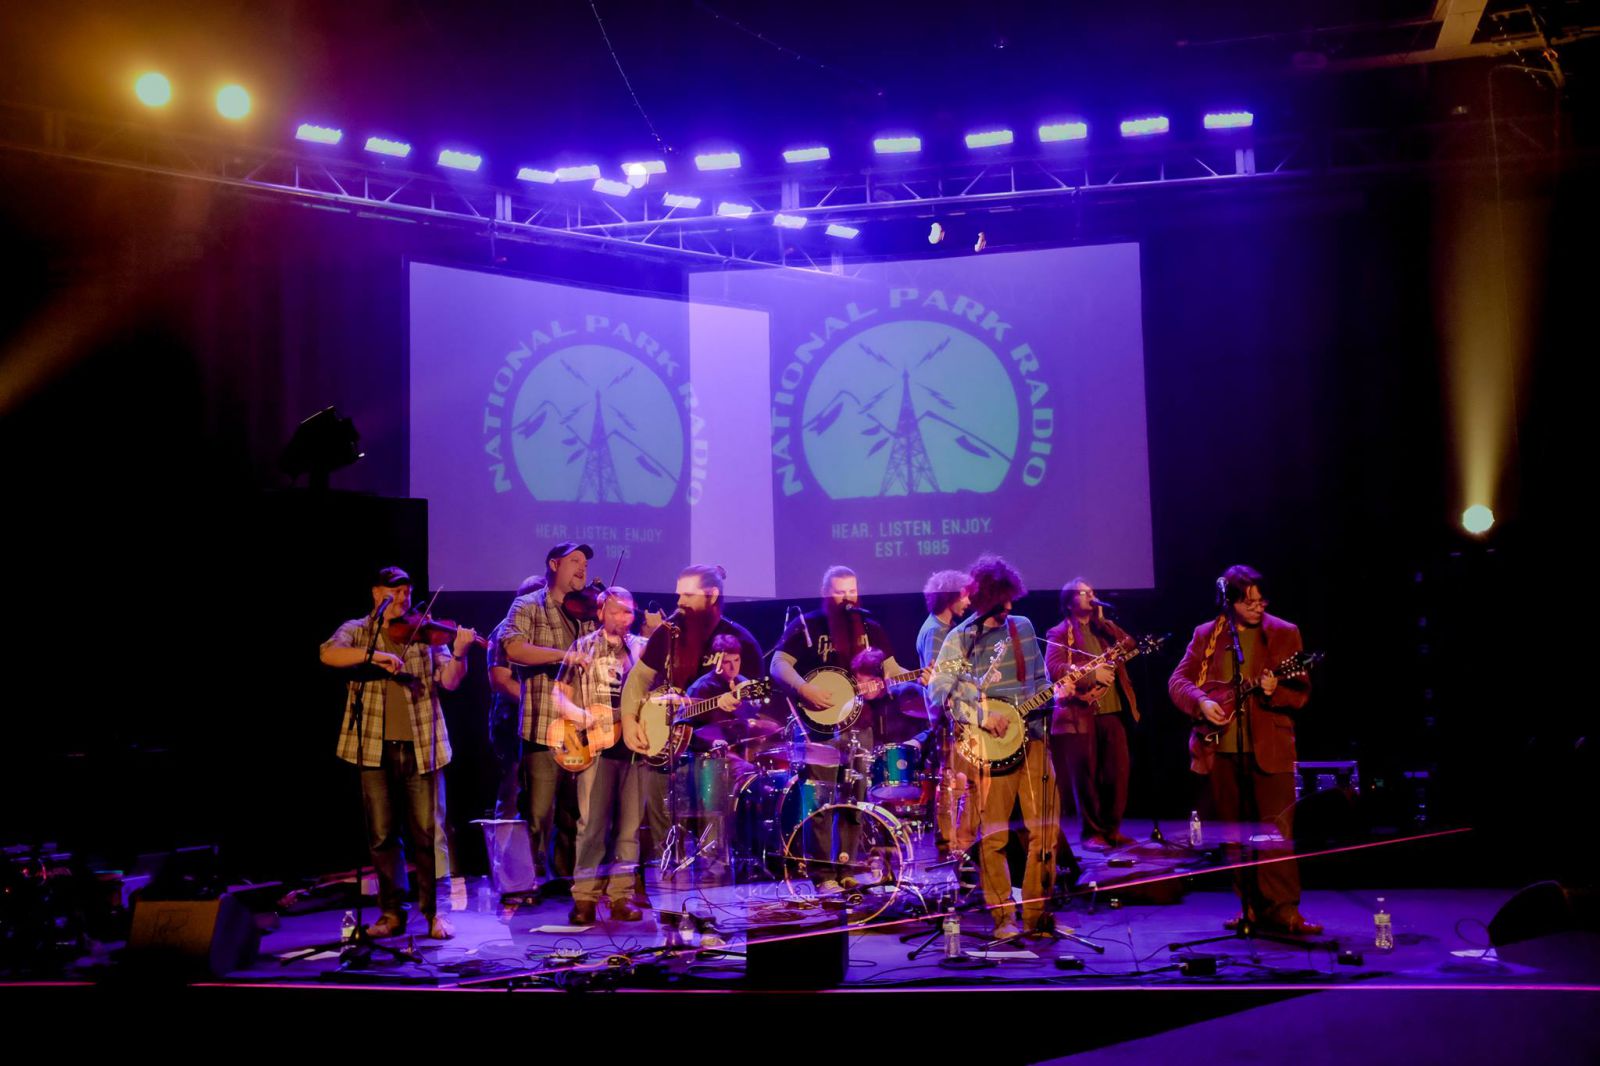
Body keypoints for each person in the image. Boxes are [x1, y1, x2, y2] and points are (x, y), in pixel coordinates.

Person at [320, 566, 474, 940]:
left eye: (407, 591)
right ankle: (391, 913)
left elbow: (450, 681)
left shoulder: (425, 633)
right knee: (382, 836)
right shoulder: (358, 630)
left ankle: (435, 913)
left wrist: (459, 653)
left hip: (423, 747)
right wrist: (374, 656)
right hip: (373, 747)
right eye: (395, 590)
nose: (404, 598)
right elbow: (328, 654)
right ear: (377, 593)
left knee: (429, 834)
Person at [1168, 565, 1320, 936]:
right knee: (1235, 835)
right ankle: (1249, 908)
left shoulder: (1284, 632)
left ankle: (1284, 911)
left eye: (1261, 600)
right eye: (1247, 601)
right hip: (1221, 750)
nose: (1256, 607)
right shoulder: (1206, 634)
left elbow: (1301, 694)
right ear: (1230, 601)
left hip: (1271, 749)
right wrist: (1202, 701)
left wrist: (1274, 691)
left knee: (1275, 833)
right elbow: (1178, 680)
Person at [928, 555, 1059, 940]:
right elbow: (939, 691)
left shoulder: (1023, 628)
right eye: (1002, 601)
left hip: (1033, 739)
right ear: (985, 599)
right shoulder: (959, 638)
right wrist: (981, 715)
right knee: (994, 836)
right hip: (990, 749)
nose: (1009, 607)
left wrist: (1058, 693)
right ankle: (1004, 918)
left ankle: (1037, 916)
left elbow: (1041, 681)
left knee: (1045, 832)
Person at [619, 564, 763, 887]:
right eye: (678, 593)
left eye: (688, 594)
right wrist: (629, 720)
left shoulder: (741, 641)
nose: (679, 601)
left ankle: (714, 896)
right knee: (662, 824)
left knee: (713, 826)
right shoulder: (667, 633)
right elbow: (637, 681)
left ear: (711, 595)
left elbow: (757, 706)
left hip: (715, 753)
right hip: (665, 744)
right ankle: (668, 889)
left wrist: (737, 705)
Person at [500, 543, 597, 888]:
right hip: (543, 726)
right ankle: (529, 883)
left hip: (583, 730)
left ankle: (566, 882)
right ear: (554, 565)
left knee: (575, 813)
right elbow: (513, 648)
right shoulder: (528, 605)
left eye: (585, 563)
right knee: (538, 814)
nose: (582, 568)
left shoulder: (588, 612)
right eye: (575, 561)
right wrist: (563, 655)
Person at [552, 587, 649, 925]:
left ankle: (621, 896)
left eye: (629, 611)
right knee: (591, 825)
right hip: (595, 745)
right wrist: (582, 716)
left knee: (629, 827)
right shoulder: (583, 647)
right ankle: (584, 897)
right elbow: (559, 696)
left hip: (634, 748)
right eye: (618, 611)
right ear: (601, 612)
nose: (625, 617)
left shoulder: (642, 648)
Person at [1045, 578, 1141, 851]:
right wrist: (1091, 674)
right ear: (1069, 602)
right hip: (1080, 713)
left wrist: (1105, 622)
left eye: (1092, 591)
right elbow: (1054, 667)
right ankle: (1092, 833)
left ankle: (1112, 829)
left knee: (1117, 773)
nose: (1091, 595)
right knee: (1086, 776)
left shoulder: (1104, 629)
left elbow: (1130, 644)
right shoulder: (1059, 632)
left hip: (1112, 710)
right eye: (1083, 592)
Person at [486, 574, 545, 820]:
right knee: (512, 789)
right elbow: (500, 681)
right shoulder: (504, 630)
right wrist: (539, 700)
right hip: (511, 723)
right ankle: (505, 843)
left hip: (542, 722)